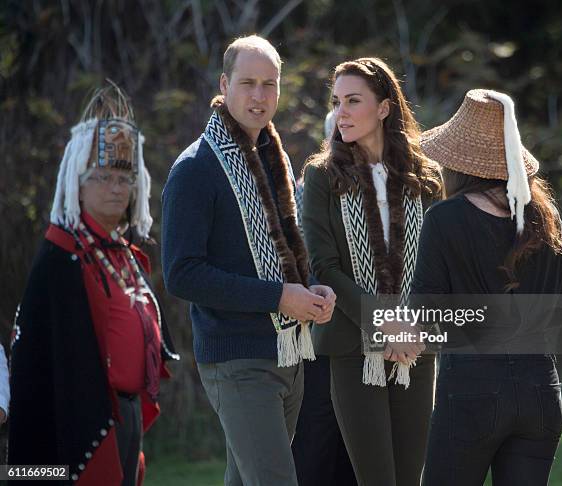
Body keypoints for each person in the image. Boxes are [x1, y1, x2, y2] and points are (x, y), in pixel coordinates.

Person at [162, 35, 335, 486]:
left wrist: (311, 287)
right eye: (248, 83)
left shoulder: (274, 161)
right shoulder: (195, 168)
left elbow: (287, 256)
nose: (259, 96)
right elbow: (182, 274)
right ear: (224, 83)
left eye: (269, 84)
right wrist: (279, 297)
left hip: (289, 354)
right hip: (238, 360)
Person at [8, 83, 179, 486]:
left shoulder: (122, 251)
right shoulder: (62, 256)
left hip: (123, 412)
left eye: (125, 177)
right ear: (77, 184)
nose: (116, 188)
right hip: (79, 423)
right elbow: (44, 370)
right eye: (103, 177)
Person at [411, 89, 562, 485]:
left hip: (470, 390)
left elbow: (424, 311)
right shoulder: (546, 215)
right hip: (541, 389)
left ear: (456, 162)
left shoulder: (443, 219)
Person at [301, 58, 442, 486]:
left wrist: (410, 327)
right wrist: (385, 325)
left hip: (417, 347)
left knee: (409, 478)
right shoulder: (321, 176)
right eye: (337, 101)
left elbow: (437, 264)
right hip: (352, 347)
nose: (341, 112)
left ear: (383, 107)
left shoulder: (427, 175)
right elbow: (324, 266)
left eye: (353, 101)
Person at [292, 112, 357, 486]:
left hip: (364, 338)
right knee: (316, 444)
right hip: (319, 337)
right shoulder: (310, 188)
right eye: (339, 131)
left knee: (356, 453)